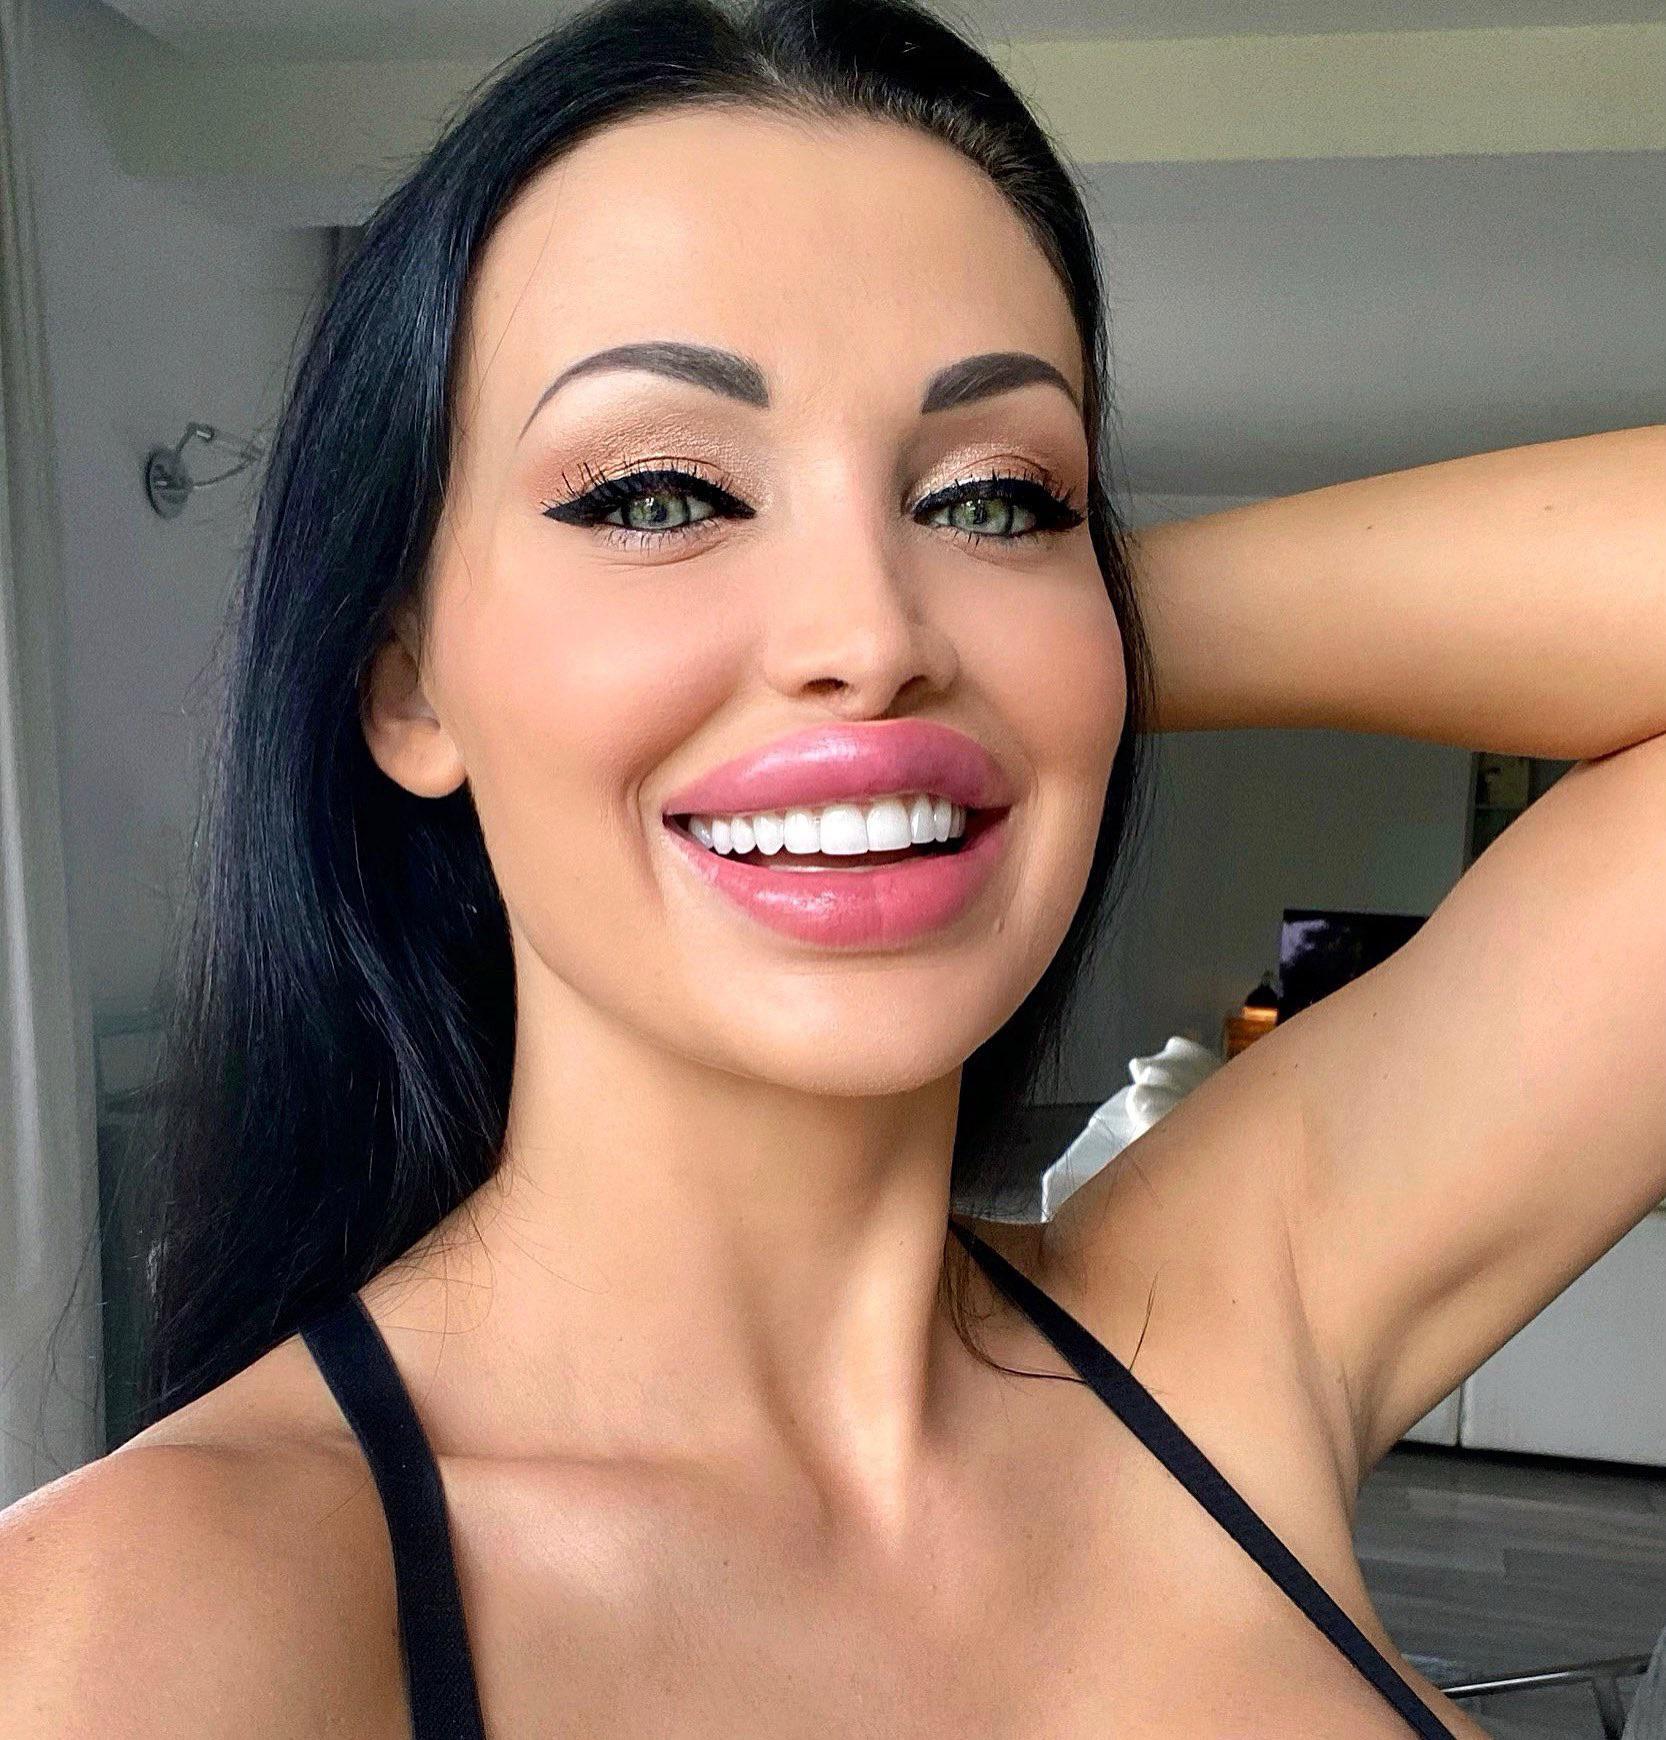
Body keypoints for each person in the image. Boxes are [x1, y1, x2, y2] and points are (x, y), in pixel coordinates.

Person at [3, 0, 1662, 1733]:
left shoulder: (1220, 1331)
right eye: (658, 496)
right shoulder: (153, 1624)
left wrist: (1065, 651)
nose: (870, 632)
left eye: (996, 497)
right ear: (409, 679)